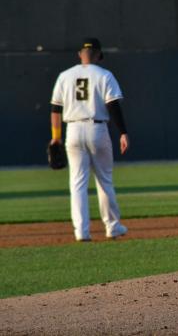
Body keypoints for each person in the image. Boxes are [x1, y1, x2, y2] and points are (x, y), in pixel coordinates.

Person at [50, 38, 129, 242]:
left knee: (77, 183)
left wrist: (56, 138)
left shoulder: (65, 76)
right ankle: (112, 227)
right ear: (98, 55)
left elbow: (56, 110)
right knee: (104, 180)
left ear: (79, 54)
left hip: (73, 130)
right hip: (97, 128)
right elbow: (113, 106)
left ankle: (81, 232)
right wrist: (123, 132)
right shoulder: (104, 75)